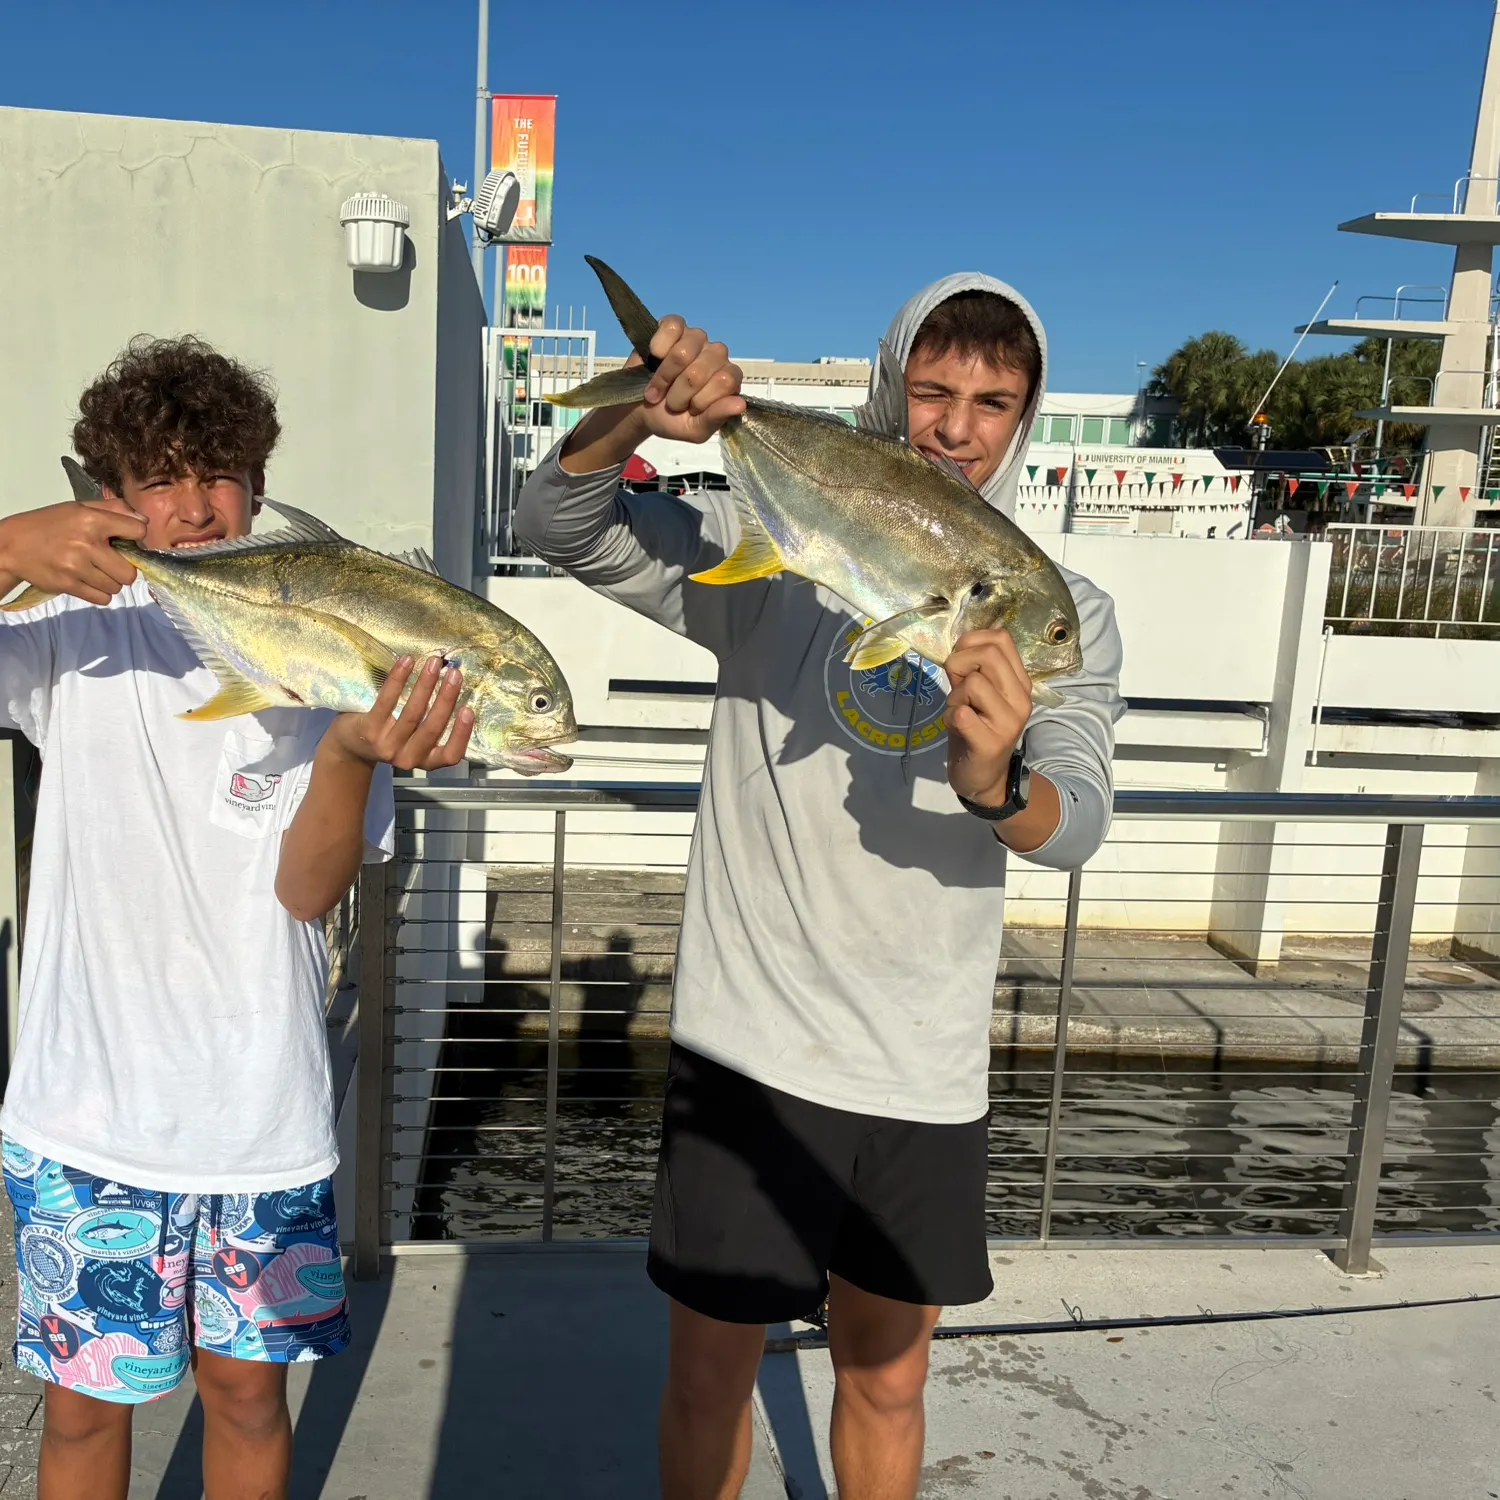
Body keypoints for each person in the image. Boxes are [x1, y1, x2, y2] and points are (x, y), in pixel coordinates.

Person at [514, 273, 1124, 1500]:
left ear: (1025, 416)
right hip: (751, 1043)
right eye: (934, 389)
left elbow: (1079, 822)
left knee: (891, 1381)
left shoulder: (1069, 614)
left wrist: (998, 781)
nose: (957, 426)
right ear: (894, 383)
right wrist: (640, 410)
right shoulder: (775, 565)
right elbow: (563, 524)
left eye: (993, 401)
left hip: (924, 1063)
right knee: (708, 1377)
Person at [0, 336, 472, 1500]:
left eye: (220, 475)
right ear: (110, 497)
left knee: (250, 1403)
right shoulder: (65, 630)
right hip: (86, 1120)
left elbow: (307, 893)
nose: (197, 506)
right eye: (160, 478)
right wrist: (3, 546)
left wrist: (358, 746)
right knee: (81, 1421)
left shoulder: (335, 647)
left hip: (263, 1119)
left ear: (259, 487)